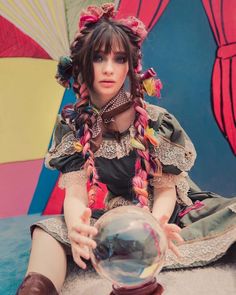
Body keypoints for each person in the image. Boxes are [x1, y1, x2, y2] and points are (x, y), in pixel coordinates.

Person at [16, 3, 236, 294]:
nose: (109, 69)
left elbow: (166, 188)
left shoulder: (157, 121)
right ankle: (36, 289)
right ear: (83, 63)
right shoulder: (74, 127)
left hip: (168, 213)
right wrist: (76, 228)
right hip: (120, 212)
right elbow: (76, 194)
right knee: (46, 232)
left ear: (130, 66)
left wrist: (154, 228)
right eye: (98, 58)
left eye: (119, 59)